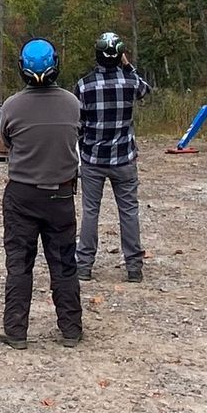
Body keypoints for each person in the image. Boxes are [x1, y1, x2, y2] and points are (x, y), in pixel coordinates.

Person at [0, 39, 83, 349]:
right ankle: (71, 329)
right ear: (56, 64)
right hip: (61, 194)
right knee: (64, 264)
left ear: (22, 68)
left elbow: (7, 141)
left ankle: (16, 330)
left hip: (22, 193)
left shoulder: (12, 106)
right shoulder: (73, 103)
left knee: (19, 263)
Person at [74, 31, 152, 283]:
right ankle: (134, 268)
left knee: (90, 212)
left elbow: (78, 122)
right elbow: (145, 89)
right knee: (129, 211)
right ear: (120, 56)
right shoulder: (131, 83)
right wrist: (128, 65)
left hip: (93, 159)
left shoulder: (84, 85)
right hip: (124, 158)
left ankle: (84, 266)